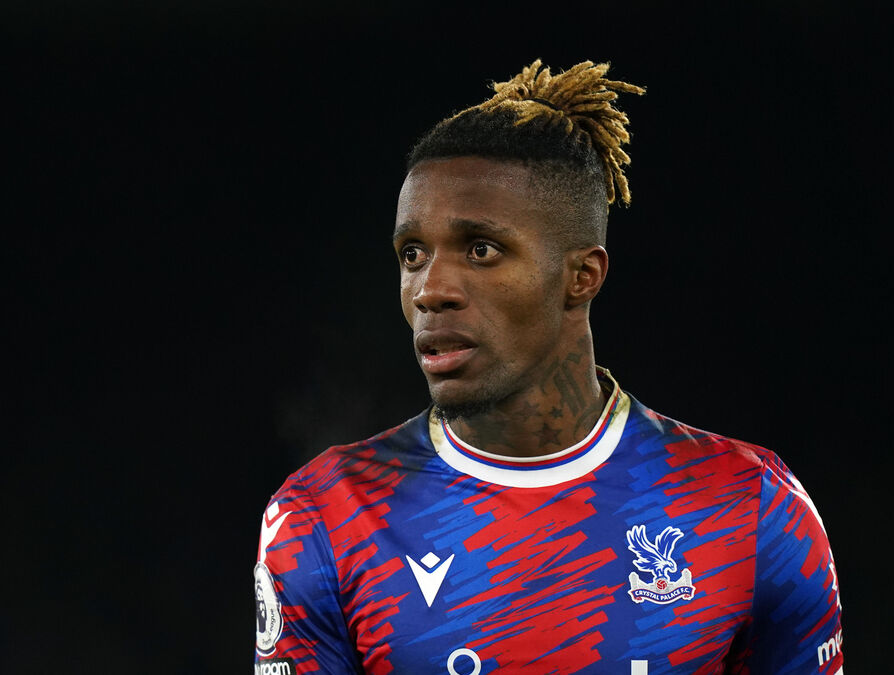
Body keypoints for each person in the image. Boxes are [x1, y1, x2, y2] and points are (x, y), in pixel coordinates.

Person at [252, 60, 844, 674]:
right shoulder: (326, 515)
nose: (430, 290)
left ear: (582, 276)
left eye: (481, 249)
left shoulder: (747, 506)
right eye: (413, 254)